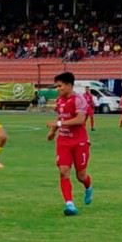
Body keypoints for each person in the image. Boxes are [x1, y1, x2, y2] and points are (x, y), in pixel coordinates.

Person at [46, 72, 93, 216]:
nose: (58, 89)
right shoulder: (59, 100)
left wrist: (58, 123)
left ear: (68, 85)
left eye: (60, 86)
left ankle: (88, 187)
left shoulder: (79, 100)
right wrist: (53, 131)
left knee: (81, 176)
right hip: (64, 142)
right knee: (63, 171)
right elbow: (60, 117)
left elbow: (80, 120)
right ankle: (69, 204)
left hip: (79, 142)